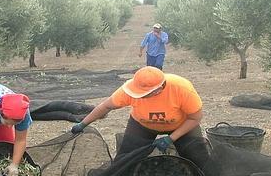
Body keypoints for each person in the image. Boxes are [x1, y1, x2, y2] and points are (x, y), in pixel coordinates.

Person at [71, 66, 208, 169]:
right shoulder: (129, 89)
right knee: (125, 159)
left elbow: (194, 118)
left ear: (158, 89)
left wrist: (170, 138)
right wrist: (83, 124)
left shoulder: (181, 89)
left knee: (198, 158)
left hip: (181, 125)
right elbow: (105, 106)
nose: (139, 96)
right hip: (142, 126)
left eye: (144, 94)